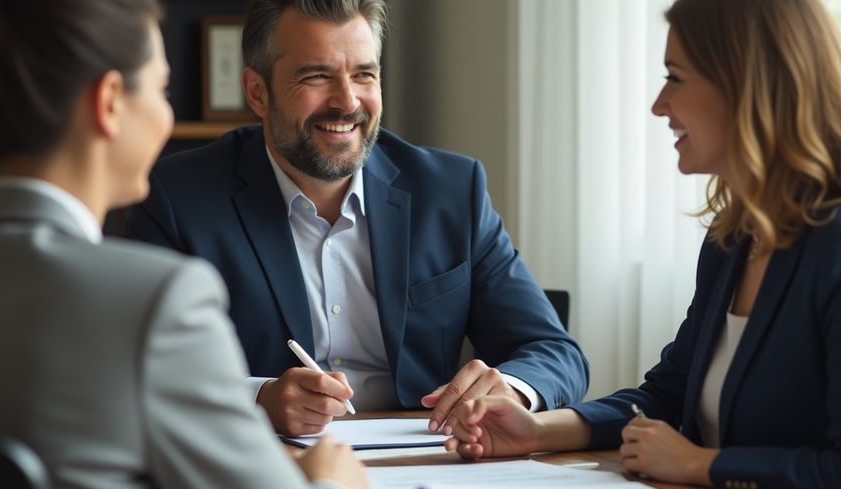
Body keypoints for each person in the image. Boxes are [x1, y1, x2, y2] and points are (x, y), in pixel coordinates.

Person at [441, 0, 841, 489]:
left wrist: (696, 464)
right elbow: (666, 399)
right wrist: (538, 431)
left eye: (676, 78)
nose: (659, 104)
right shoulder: (731, 240)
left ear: (746, 87)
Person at [0, 0, 366, 489]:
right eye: (161, 89)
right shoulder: (156, 301)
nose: (165, 114)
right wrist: (333, 487)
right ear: (110, 103)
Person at [124, 0, 589, 437]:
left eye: (364, 75)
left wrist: (511, 388)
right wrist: (257, 400)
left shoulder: (450, 191)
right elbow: (136, 371)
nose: (346, 102)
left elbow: (555, 353)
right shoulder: (176, 198)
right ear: (257, 91)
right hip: (267, 469)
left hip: (425, 462)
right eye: (316, 76)